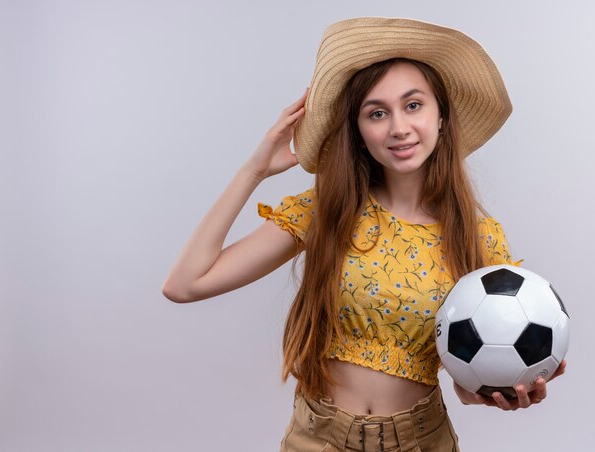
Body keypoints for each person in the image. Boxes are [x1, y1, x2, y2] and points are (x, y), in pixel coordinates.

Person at [163, 17, 566, 452]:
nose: (398, 127)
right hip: (317, 438)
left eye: (413, 105)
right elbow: (185, 284)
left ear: (442, 117)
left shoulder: (478, 237)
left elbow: (467, 382)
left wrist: (499, 392)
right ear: (358, 132)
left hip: (420, 440)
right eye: (377, 113)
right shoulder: (328, 212)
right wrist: (254, 169)